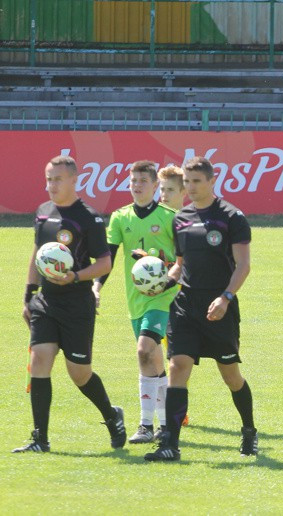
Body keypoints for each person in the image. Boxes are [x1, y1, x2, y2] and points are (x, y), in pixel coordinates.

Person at [144, 156, 256, 461]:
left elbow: (243, 266)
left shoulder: (232, 217)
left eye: (196, 181)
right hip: (185, 307)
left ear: (211, 180)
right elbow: (180, 267)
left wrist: (226, 297)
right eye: (187, 182)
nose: (190, 188)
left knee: (230, 375)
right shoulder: (181, 219)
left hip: (220, 306)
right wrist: (160, 282)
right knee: (178, 367)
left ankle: (249, 430)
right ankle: (170, 444)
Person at [14, 155, 126, 453]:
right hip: (46, 302)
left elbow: (104, 263)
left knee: (79, 373)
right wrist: (29, 295)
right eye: (48, 179)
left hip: (77, 305)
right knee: (39, 361)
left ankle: (112, 415)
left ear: (74, 180)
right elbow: (38, 254)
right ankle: (40, 438)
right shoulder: (42, 212)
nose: (50, 185)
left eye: (57, 179)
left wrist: (76, 275)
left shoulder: (89, 217)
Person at [93, 161, 178, 444]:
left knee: (144, 350)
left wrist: (167, 281)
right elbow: (109, 257)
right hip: (136, 302)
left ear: (155, 186)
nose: (137, 185)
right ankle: (160, 426)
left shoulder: (170, 217)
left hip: (164, 299)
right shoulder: (120, 218)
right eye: (133, 180)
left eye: (143, 180)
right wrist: (96, 286)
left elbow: (183, 260)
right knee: (152, 360)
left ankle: (145, 424)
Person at [157, 164, 191, 427]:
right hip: (157, 297)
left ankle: (177, 408)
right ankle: (167, 408)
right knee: (156, 353)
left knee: (176, 358)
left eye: (170, 190)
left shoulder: (189, 222)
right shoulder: (157, 219)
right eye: (161, 189)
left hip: (183, 298)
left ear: (183, 192)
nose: (163, 195)